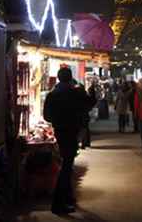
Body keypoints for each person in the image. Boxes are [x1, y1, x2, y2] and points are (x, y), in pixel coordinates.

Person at [43, 67, 96, 215]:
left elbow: (47, 116)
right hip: (72, 131)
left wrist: (57, 120)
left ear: (59, 78)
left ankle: (67, 198)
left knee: (67, 163)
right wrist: (90, 90)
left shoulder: (52, 95)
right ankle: (58, 204)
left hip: (60, 132)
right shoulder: (75, 92)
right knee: (66, 166)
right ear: (70, 78)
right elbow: (89, 104)